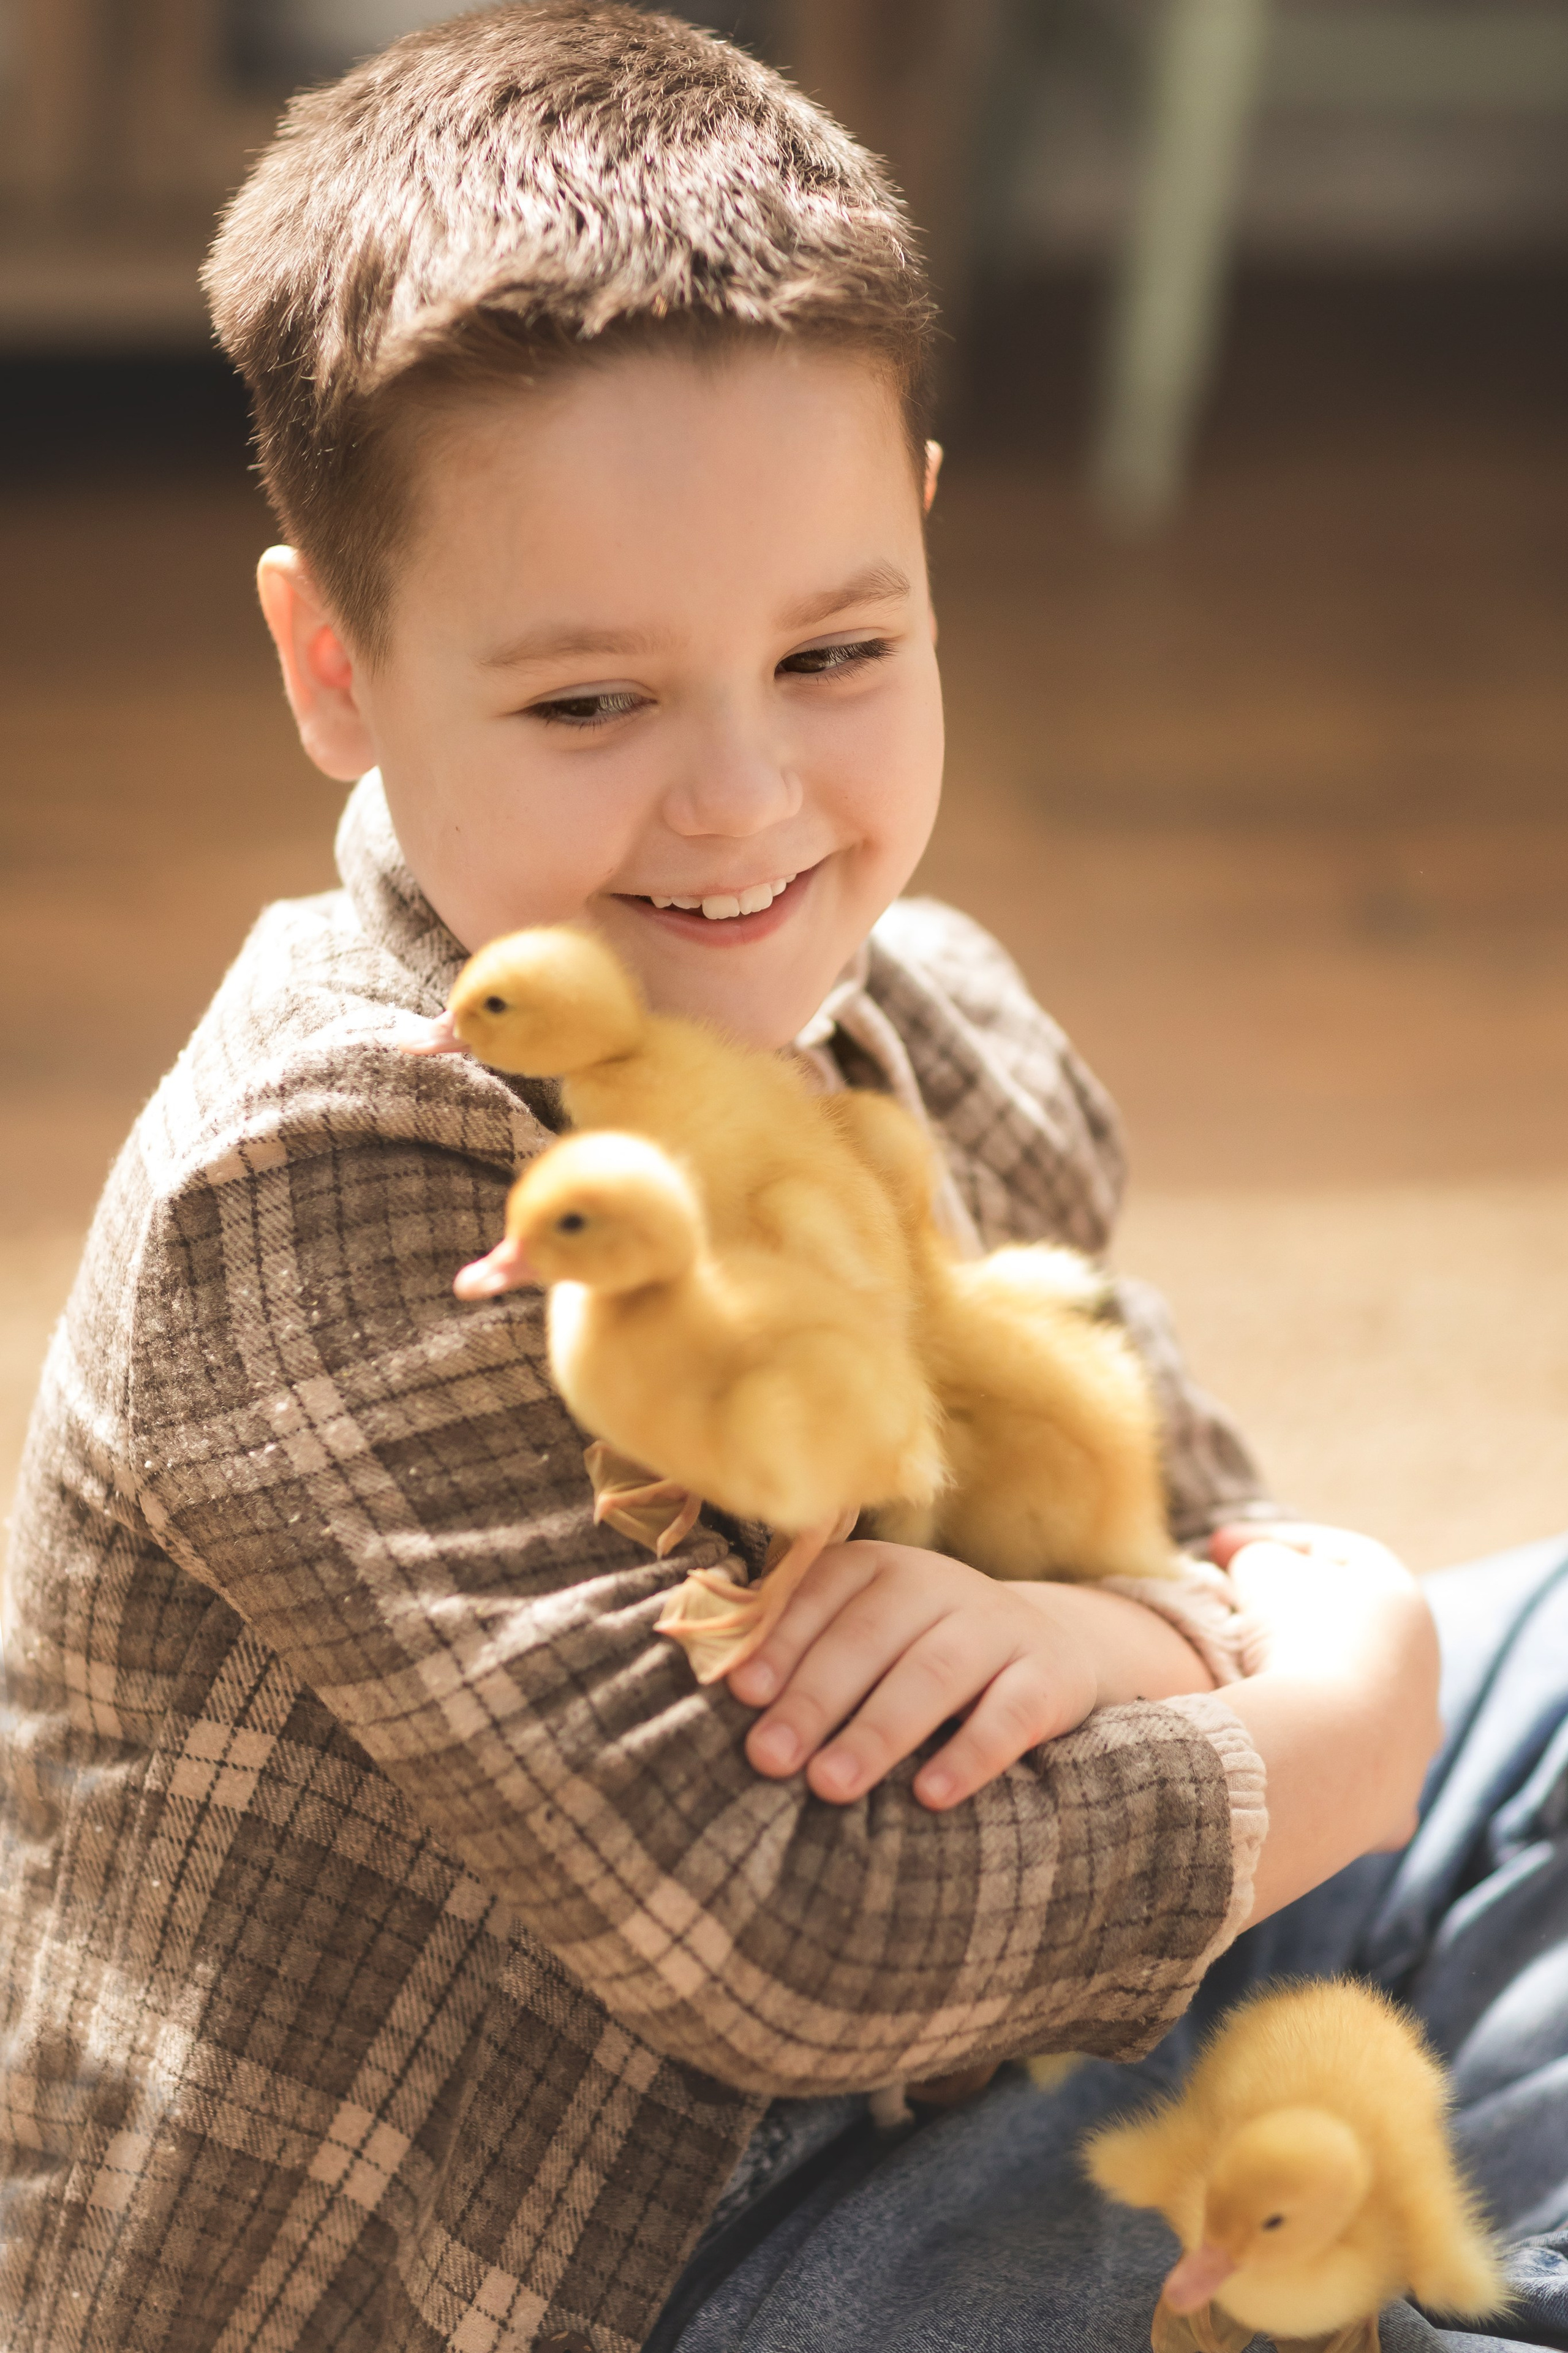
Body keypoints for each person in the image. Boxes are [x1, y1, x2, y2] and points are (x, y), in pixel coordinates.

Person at [0, 7, 1558, 2349]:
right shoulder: (322, 1176)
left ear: (925, 534)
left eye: (834, 650)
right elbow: (777, 1939)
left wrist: (1132, 1644)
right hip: (633, 2260)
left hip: (1030, 2010)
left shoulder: (935, 1019)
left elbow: (1200, 1531)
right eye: (589, 704)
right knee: (1210, 2202)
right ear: (334, 657)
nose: (743, 807)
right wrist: (1329, 1723)